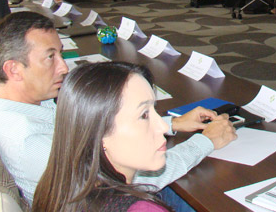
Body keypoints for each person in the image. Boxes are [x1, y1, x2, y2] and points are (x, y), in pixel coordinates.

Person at [0, 11, 236, 206]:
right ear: (13, 69)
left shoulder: (3, 107)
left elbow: (87, 134)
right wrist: (206, 142)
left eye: (60, 54)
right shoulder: (31, 143)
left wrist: (172, 124)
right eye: (50, 57)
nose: (63, 67)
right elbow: (132, 176)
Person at [33, 62, 173, 211]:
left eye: (154, 109)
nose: (163, 127)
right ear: (100, 134)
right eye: (144, 115)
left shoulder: (56, 188)